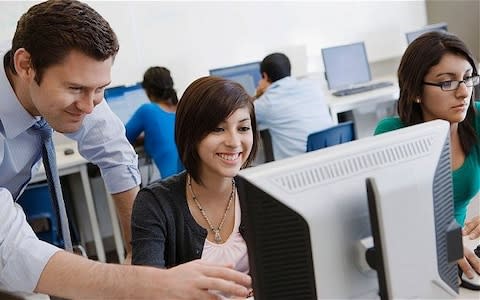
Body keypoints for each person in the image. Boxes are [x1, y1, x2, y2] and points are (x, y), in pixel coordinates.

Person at [0, 1, 251, 298]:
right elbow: (10, 247)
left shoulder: (65, 73)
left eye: (100, 89)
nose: (89, 106)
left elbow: (114, 150)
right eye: (76, 89)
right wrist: (144, 283)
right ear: (25, 66)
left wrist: (140, 255)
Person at [131, 76, 258, 292]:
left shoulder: (261, 193)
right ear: (191, 133)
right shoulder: (154, 204)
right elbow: (148, 292)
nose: (234, 142)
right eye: (218, 129)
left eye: (243, 128)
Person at [374, 31, 480, 281]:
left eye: (468, 78)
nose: (464, 92)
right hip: (414, 257)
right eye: (447, 82)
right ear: (415, 92)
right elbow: (392, 219)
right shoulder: (391, 134)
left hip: (461, 252)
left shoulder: (476, 119)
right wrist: (445, 243)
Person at [254, 52, 334, 160]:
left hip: (298, 167)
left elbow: (244, 116)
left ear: (265, 76)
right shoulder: (312, 86)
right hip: (331, 155)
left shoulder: (266, 103)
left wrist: (258, 95)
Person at [125, 66, 182, 178]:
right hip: (194, 182)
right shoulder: (183, 108)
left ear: (148, 91)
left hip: (173, 185)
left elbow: (123, 137)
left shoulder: (148, 110)